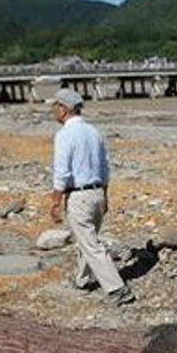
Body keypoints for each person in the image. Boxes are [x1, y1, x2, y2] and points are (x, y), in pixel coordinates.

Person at [48, 88, 135, 306]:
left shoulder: (64, 135)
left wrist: (55, 201)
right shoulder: (94, 132)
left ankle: (118, 289)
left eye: (55, 106)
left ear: (64, 109)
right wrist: (105, 196)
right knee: (86, 241)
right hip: (97, 192)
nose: (52, 111)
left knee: (91, 244)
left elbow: (62, 172)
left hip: (79, 196)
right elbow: (105, 167)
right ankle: (82, 279)